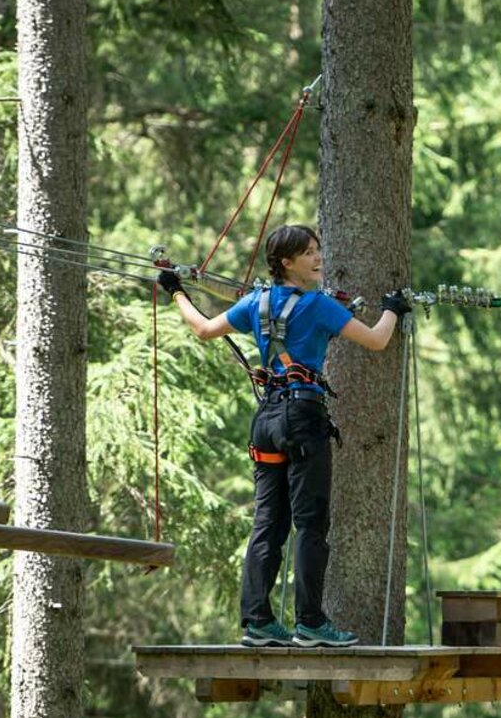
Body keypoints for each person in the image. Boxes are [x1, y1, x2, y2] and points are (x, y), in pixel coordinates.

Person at [159, 224, 412, 647]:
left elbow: (203, 329)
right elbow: (376, 340)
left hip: (267, 421)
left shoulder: (254, 303)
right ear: (285, 263)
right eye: (308, 252)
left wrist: (175, 290)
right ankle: (310, 623)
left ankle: (258, 621)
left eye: (318, 249)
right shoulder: (318, 306)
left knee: (268, 523)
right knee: (310, 524)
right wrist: (393, 308)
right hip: (303, 419)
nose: (318, 258)